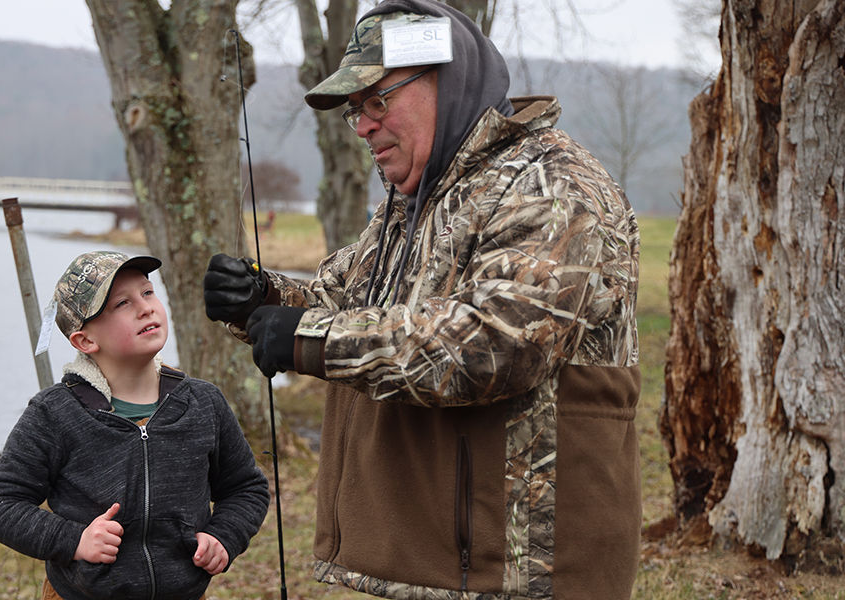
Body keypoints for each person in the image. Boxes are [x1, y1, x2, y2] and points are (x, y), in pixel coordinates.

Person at [203, 1, 641, 599]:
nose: (361, 126)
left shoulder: (554, 185)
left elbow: (495, 345)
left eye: (376, 101)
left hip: (527, 572)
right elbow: (336, 302)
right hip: (442, 561)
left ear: (445, 80)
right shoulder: (413, 200)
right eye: (355, 110)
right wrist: (260, 300)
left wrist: (308, 339)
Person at [0, 250, 270, 600]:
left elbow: (246, 489)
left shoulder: (203, 403)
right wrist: (75, 541)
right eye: (122, 303)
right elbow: (0, 505)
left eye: (147, 292)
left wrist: (225, 535)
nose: (146, 307)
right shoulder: (54, 414)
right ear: (85, 340)